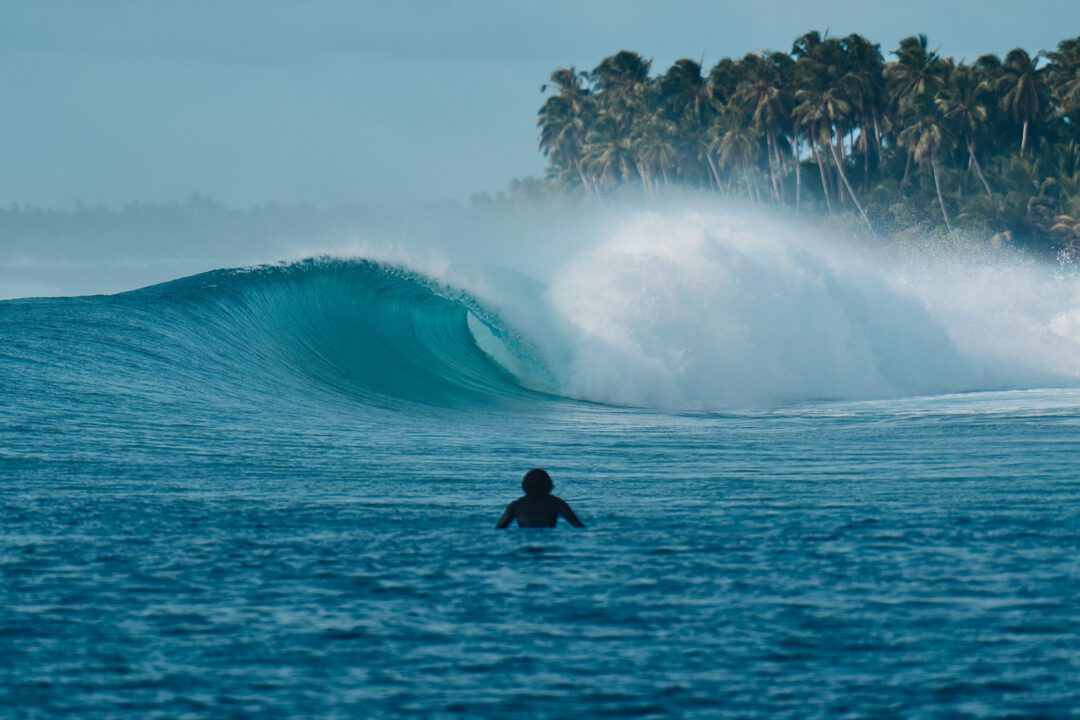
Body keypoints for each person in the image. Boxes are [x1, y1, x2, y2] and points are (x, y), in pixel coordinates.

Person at [495, 468, 585, 529]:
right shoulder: (556, 503)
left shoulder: (515, 506)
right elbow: (577, 526)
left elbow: (499, 529)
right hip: (548, 541)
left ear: (524, 486)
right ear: (549, 486)